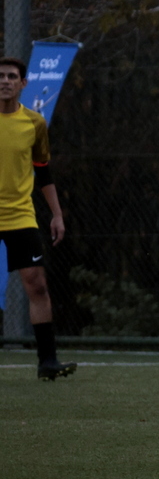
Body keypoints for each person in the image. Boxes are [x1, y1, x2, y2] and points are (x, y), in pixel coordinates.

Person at [0, 56, 77, 380]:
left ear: (23, 84)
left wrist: (57, 214)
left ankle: (48, 362)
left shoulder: (34, 123)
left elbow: (43, 172)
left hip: (20, 217)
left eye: (11, 76)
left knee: (37, 285)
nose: (4, 81)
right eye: (0, 76)